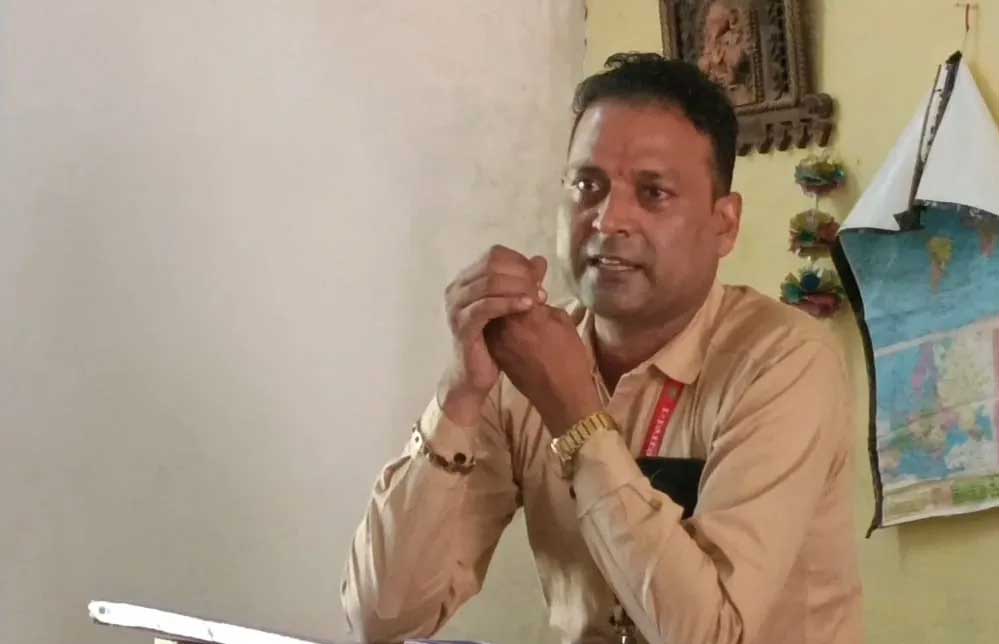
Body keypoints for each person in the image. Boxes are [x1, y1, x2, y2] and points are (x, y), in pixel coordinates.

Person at [341, 53, 862, 644]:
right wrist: (459, 394)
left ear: (724, 224)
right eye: (588, 186)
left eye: (653, 192)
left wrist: (576, 417)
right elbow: (382, 616)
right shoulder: (524, 359)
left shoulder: (784, 362)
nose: (608, 220)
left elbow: (710, 635)